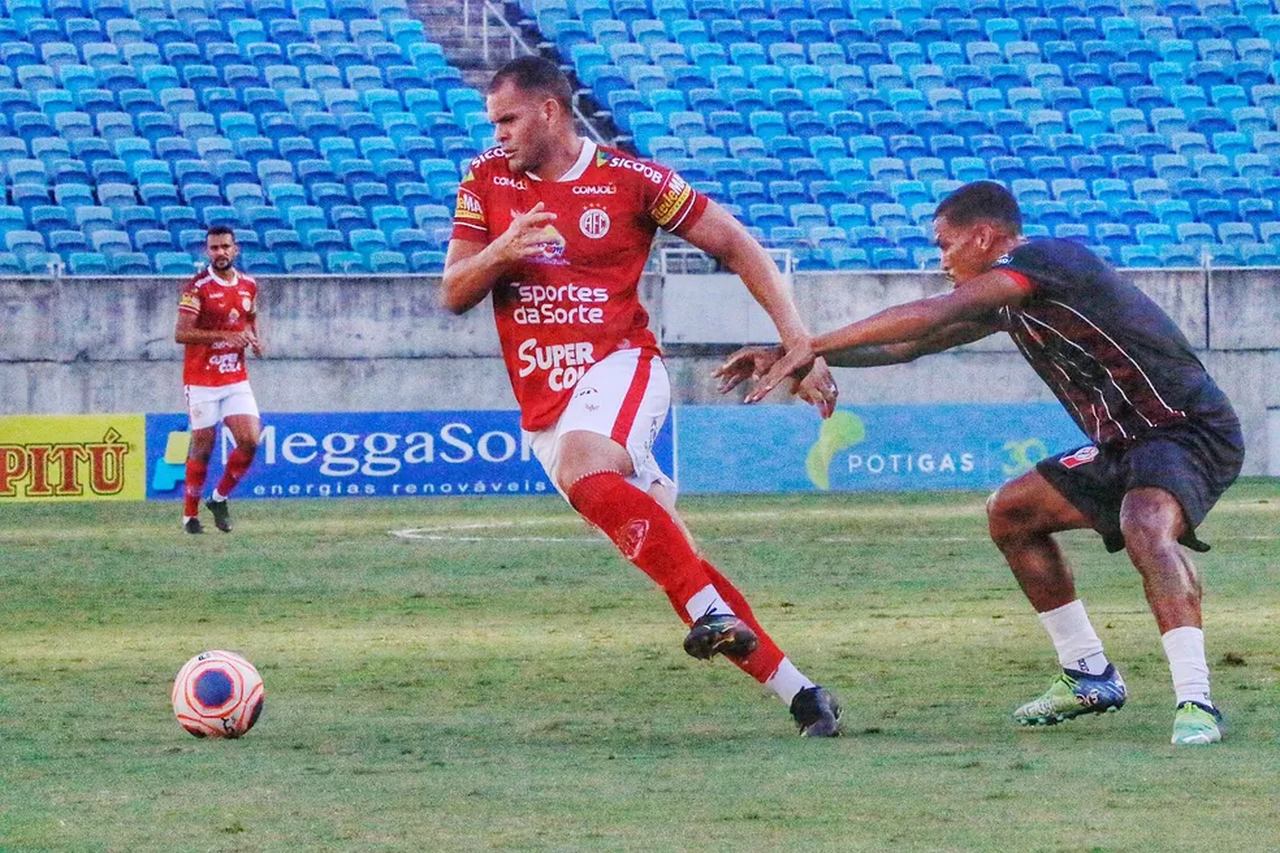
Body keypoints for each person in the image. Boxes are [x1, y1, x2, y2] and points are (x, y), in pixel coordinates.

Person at [722, 180, 1244, 745]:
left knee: (1144, 522)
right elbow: (910, 345)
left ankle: (1197, 702)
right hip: (1124, 443)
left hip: (1186, 429)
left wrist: (811, 344)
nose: (941, 260)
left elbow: (935, 312)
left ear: (983, 236)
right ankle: (1088, 673)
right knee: (1012, 512)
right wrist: (787, 355)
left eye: (945, 245)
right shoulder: (1013, 303)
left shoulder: (1048, 259)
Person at [442, 56, 843, 735]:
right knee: (675, 559)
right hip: (545, 401)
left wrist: (797, 341)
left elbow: (736, 244)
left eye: (508, 120)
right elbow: (454, 292)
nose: (497, 135)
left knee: (584, 466)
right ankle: (803, 694)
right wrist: (502, 249)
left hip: (620, 365)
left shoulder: (632, 181)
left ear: (549, 111)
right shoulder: (484, 181)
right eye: (493, 123)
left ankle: (708, 614)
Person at [174, 225, 263, 535]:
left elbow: (248, 319)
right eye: (214, 248)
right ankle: (189, 515)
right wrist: (225, 335)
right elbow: (181, 333)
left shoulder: (249, 285)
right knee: (203, 446)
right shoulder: (196, 288)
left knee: (251, 440)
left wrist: (253, 339)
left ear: (235, 249)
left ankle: (219, 497)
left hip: (235, 377)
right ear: (206, 251)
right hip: (201, 379)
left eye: (225, 247)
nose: (220, 252)